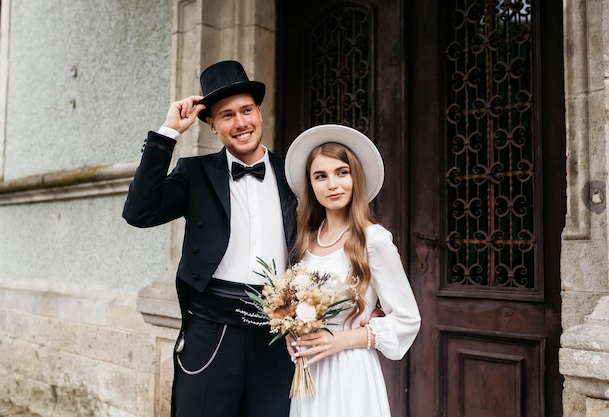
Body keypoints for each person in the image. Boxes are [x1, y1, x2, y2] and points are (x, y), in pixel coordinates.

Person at [123, 60, 297, 417]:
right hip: (211, 332)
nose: (241, 122)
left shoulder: (294, 174)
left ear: (259, 113)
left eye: (247, 110)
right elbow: (139, 212)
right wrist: (168, 133)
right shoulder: (195, 173)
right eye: (227, 115)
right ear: (213, 125)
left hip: (278, 334)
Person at [283, 124, 421, 417]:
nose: (332, 184)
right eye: (321, 176)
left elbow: (408, 319)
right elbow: (294, 307)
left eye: (341, 172)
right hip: (310, 375)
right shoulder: (304, 240)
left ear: (355, 177)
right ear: (311, 185)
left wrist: (341, 340)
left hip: (351, 373)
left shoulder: (374, 239)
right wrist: (290, 333)